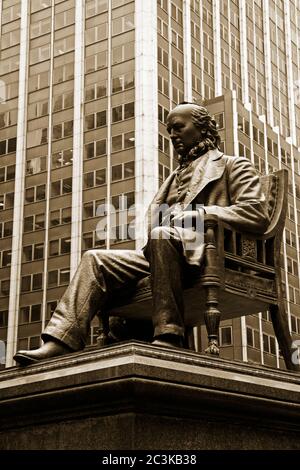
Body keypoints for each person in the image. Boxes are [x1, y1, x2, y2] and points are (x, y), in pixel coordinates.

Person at [14, 102, 269, 365]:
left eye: (179, 128)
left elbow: (257, 213)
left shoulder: (233, 165)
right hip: (160, 254)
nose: (173, 135)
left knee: (161, 235)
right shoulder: (174, 178)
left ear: (202, 128)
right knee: (95, 259)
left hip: (208, 255)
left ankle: (169, 335)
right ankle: (60, 340)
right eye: (169, 130)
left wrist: (203, 214)